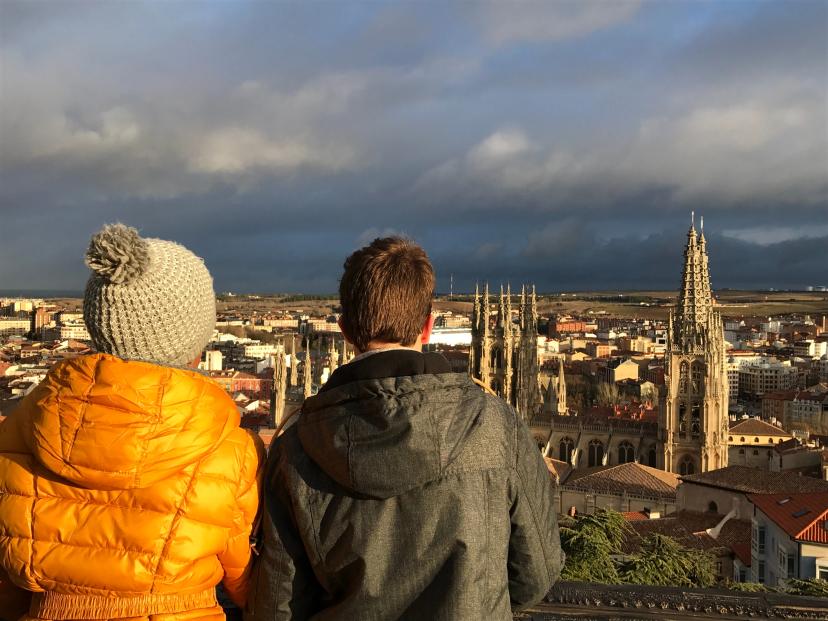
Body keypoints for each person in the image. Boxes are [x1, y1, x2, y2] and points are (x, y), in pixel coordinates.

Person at [247, 237, 562, 620]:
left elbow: (279, 605)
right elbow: (536, 572)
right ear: (428, 326)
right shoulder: (497, 427)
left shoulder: (295, 447)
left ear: (344, 329)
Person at [0, 224, 262, 621]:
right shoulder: (230, 450)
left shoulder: (21, 429)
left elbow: (8, 577)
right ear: (195, 339)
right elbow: (245, 578)